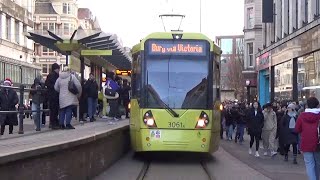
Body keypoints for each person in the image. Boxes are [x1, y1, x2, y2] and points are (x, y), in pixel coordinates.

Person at [295, 97, 320, 180]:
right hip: (318, 144)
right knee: (318, 164)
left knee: (309, 164)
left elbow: (297, 129)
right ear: (317, 105)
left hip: (306, 143)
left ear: (307, 105)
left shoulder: (302, 116)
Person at [45, 63, 60, 129]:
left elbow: (46, 83)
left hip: (50, 95)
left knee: (52, 109)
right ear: (56, 69)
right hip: (55, 95)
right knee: (55, 110)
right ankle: (54, 123)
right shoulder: (56, 76)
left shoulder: (49, 75)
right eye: (58, 69)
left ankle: (52, 123)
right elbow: (57, 85)